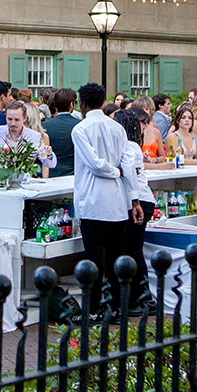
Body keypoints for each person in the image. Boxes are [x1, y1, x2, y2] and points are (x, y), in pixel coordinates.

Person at [70, 83, 133, 314]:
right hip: (116, 201)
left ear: (82, 103)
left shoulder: (81, 129)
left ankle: (94, 309)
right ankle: (118, 307)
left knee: (93, 260)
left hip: (93, 200)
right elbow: (126, 160)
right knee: (117, 259)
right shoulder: (117, 128)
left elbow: (95, 164)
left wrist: (116, 172)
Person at [112, 108, 158, 312]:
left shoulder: (127, 148)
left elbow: (128, 173)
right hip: (142, 199)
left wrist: (134, 201)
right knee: (134, 249)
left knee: (131, 250)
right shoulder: (134, 146)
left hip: (137, 201)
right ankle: (141, 297)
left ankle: (139, 298)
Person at [0, 101, 57, 175]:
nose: (13, 123)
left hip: (23, 181)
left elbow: (50, 164)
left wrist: (48, 154)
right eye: (9, 119)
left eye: (17, 120)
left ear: (25, 118)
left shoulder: (34, 136)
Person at [41, 89, 78, 178]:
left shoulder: (44, 126)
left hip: (50, 174)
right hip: (73, 175)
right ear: (71, 105)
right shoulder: (80, 125)